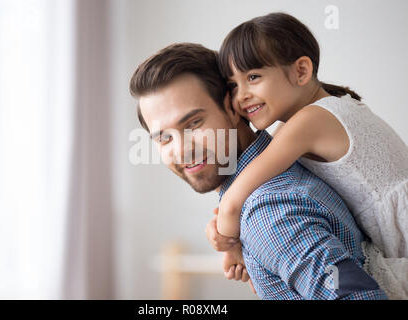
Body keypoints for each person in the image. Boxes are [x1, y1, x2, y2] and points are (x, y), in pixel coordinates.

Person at [129, 42, 387, 299]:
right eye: (164, 138)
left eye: (194, 123)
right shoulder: (282, 171)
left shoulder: (269, 211)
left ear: (231, 107)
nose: (183, 149)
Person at [214, 12, 408, 299]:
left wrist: (231, 248)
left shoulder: (309, 122)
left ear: (301, 71)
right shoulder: (321, 111)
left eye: (253, 77)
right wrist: (221, 228)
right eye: (233, 85)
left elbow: (233, 203)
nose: (241, 96)